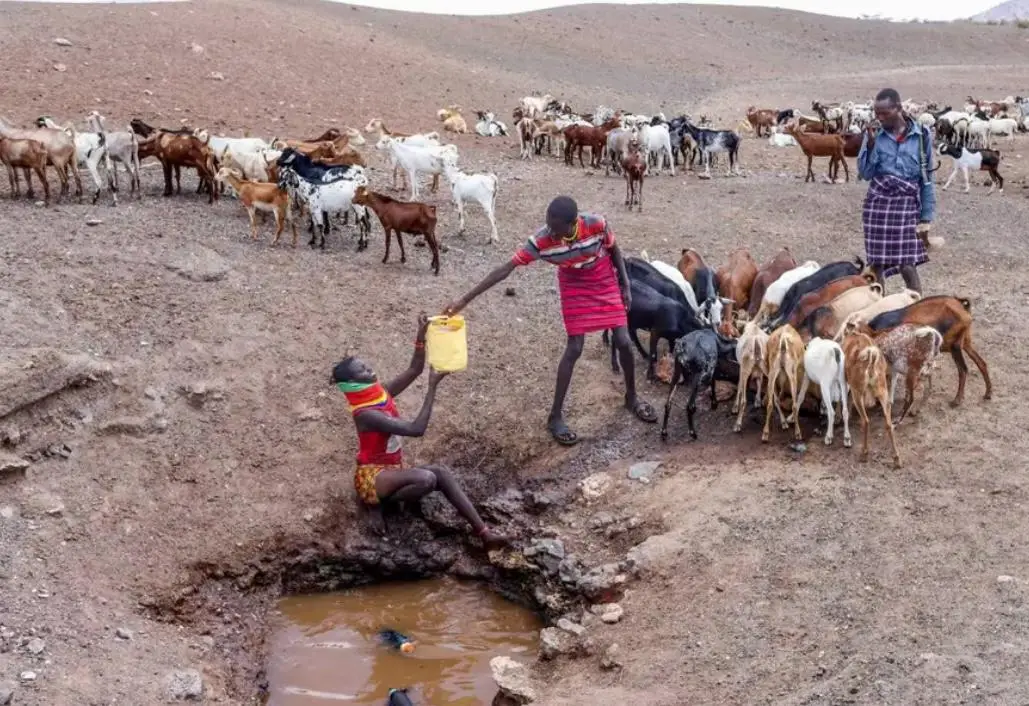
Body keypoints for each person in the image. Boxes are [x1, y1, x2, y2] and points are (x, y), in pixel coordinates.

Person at [443, 195, 657, 447]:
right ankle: (555, 416)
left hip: (602, 276)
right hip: (573, 283)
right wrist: (463, 301)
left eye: (556, 230)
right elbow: (505, 270)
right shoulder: (542, 239)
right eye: (548, 226)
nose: (551, 233)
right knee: (574, 347)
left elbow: (614, 249)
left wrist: (625, 285)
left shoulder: (596, 224)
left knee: (623, 340)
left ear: (573, 223)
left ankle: (631, 397)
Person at [331, 315, 508, 549]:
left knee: (440, 473)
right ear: (354, 383)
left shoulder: (380, 395)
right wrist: (432, 387)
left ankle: (485, 534)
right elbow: (416, 429)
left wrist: (420, 336)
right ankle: (376, 504)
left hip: (392, 470)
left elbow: (414, 369)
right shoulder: (366, 414)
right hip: (372, 478)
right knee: (426, 479)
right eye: (363, 370)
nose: (370, 369)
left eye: (366, 365)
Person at [858, 87, 940, 294]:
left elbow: (926, 177)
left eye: (885, 113)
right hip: (878, 204)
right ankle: (877, 309)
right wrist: (871, 143)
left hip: (906, 205)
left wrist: (926, 215)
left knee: (907, 262)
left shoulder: (921, 135)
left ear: (899, 109)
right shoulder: (874, 135)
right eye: (877, 113)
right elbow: (866, 173)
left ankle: (916, 307)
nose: (880, 118)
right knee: (876, 263)